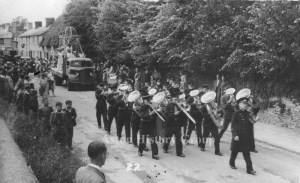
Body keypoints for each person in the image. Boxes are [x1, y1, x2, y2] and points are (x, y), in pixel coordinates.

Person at [229, 96, 256, 175]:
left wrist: (253, 120)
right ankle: (231, 163)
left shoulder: (247, 114)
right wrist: (235, 135)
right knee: (234, 152)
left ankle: (250, 169)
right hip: (238, 137)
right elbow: (233, 126)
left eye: (246, 104)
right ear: (239, 104)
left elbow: (250, 124)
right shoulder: (236, 113)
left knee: (246, 154)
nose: (245, 105)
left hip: (245, 138)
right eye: (243, 104)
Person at [163, 90, 185, 158]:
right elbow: (166, 115)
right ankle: (165, 148)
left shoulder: (179, 106)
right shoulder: (168, 106)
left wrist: (182, 110)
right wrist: (174, 114)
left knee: (178, 139)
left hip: (177, 125)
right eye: (174, 99)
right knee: (167, 137)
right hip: (170, 124)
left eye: (176, 99)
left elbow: (182, 115)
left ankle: (179, 152)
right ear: (171, 99)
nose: (176, 100)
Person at [138, 93, 159, 160]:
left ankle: (155, 154)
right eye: (147, 100)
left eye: (149, 100)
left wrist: (157, 111)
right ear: (144, 101)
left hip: (151, 125)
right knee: (143, 140)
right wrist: (152, 112)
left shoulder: (151, 106)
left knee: (153, 140)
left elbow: (155, 116)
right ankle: (140, 150)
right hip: (143, 125)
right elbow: (143, 116)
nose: (149, 101)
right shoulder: (142, 107)